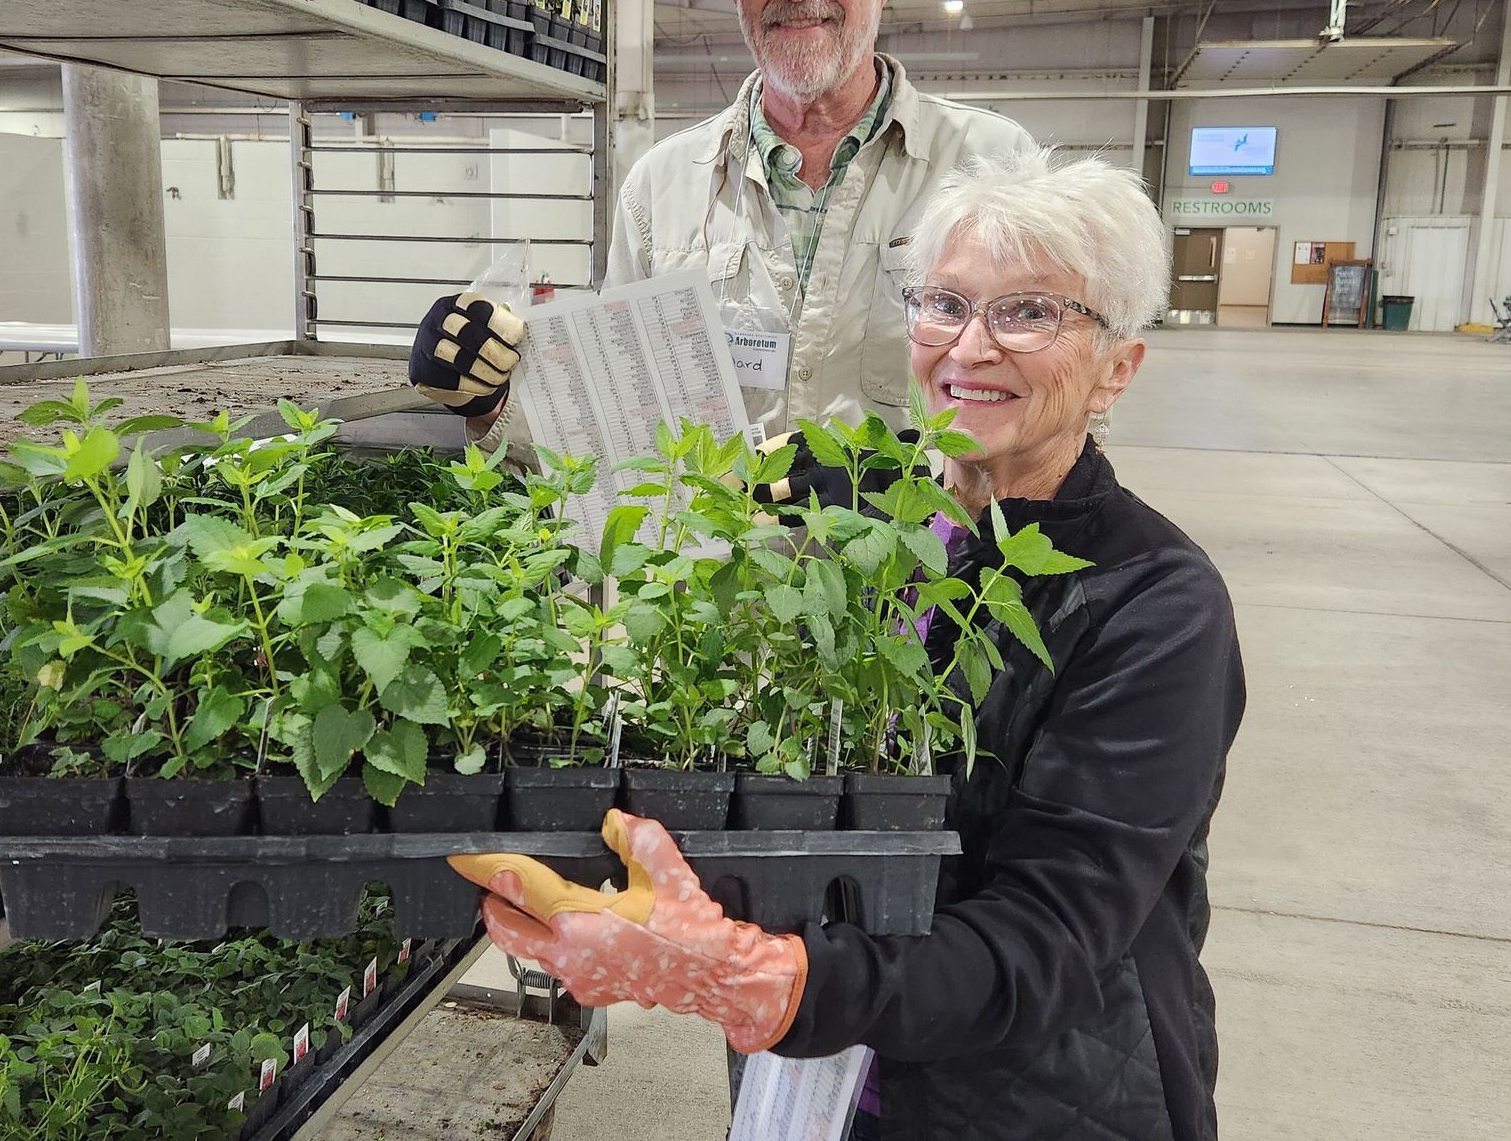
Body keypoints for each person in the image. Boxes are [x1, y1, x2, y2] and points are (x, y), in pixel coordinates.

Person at [448, 150, 1247, 1141]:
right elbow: (635, 476)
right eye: (943, 303)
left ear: (1116, 367)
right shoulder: (863, 498)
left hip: (1028, 1099)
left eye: (1030, 311)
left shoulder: (1157, 604)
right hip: (817, 1074)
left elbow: (1048, 941)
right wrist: (494, 405)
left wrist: (752, 976)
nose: (971, 346)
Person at [408, 0, 1034, 450]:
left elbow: (1054, 415)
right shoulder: (661, 189)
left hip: (920, 552)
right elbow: (616, 437)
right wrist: (490, 403)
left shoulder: (993, 168)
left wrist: (887, 500)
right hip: (713, 552)